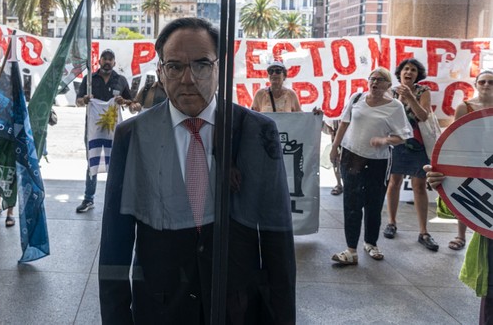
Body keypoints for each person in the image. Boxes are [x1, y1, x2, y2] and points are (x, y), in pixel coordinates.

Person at [99, 18, 296, 324]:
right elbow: (115, 244)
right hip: (161, 309)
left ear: (220, 68)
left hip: (239, 308)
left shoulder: (256, 131)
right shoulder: (132, 136)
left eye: (201, 64)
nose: (188, 79)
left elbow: (277, 241)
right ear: (161, 72)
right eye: (175, 66)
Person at [426, 69, 493, 324]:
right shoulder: (466, 108)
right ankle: (460, 234)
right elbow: (457, 145)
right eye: (482, 81)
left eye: (491, 82)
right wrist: (447, 178)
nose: (486, 86)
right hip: (478, 174)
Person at [329, 67, 412, 265]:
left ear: (388, 85)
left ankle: (371, 243)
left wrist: (384, 140)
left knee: (373, 204)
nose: (375, 83)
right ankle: (350, 250)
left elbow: (403, 136)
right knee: (351, 204)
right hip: (351, 156)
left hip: (377, 161)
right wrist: (334, 148)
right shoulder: (357, 98)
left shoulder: (395, 106)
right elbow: (344, 123)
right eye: (372, 79)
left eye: (380, 80)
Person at [383, 59, 439, 251]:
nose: (409, 72)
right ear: (400, 73)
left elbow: (423, 116)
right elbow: (389, 118)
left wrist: (410, 97)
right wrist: (399, 97)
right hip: (397, 145)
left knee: (419, 186)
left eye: (413, 70)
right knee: (394, 182)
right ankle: (391, 222)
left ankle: (423, 232)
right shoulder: (391, 92)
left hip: (418, 145)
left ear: (418, 74)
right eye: (406, 69)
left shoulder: (423, 92)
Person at [74, 48, 133, 214]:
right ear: (99, 61)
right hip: (93, 129)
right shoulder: (89, 79)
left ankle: (114, 199)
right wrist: (84, 99)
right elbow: (77, 102)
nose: (107, 62)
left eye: (110, 59)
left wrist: (125, 101)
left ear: (114, 62)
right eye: (104, 58)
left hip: (113, 130)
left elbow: (132, 102)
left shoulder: (120, 80)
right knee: (91, 160)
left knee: (114, 162)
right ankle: (88, 198)